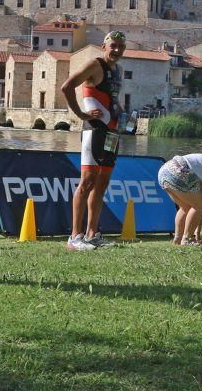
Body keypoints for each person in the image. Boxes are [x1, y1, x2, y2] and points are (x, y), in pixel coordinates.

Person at [61, 31, 127, 251]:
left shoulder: (118, 70)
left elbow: (112, 99)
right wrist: (81, 114)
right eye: (113, 45)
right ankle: (74, 237)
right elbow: (67, 86)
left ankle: (91, 234)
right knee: (87, 182)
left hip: (112, 133)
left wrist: (124, 115)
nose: (117, 50)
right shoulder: (95, 65)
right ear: (104, 46)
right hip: (94, 131)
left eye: (120, 46)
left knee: (102, 184)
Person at [157, 153, 202, 245]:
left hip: (164, 172)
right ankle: (187, 239)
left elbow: (200, 211)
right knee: (199, 206)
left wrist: (197, 234)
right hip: (178, 172)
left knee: (186, 207)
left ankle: (178, 239)